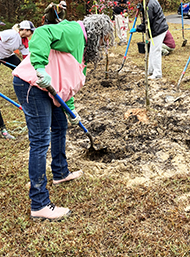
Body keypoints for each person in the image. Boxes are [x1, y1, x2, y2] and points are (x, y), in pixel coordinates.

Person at [12, 14, 114, 221]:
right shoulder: (75, 32)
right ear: (96, 33)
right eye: (105, 39)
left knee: (60, 125)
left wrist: (72, 110)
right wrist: (40, 67)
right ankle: (39, 203)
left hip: (48, 89)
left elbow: (67, 81)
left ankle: (60, 173)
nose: (105, 46)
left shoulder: (81, 47)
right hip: (33, 84)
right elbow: (41, 32)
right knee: (40, 141)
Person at [131, 0, 168, 79]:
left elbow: (147, 22)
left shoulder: (150, 5)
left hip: (158, 29)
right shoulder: (148, 2)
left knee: (155, 51)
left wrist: (137, 28)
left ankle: (157, 73)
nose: (139, 0)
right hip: (157, 28)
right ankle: (151, 70)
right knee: (152, 50)